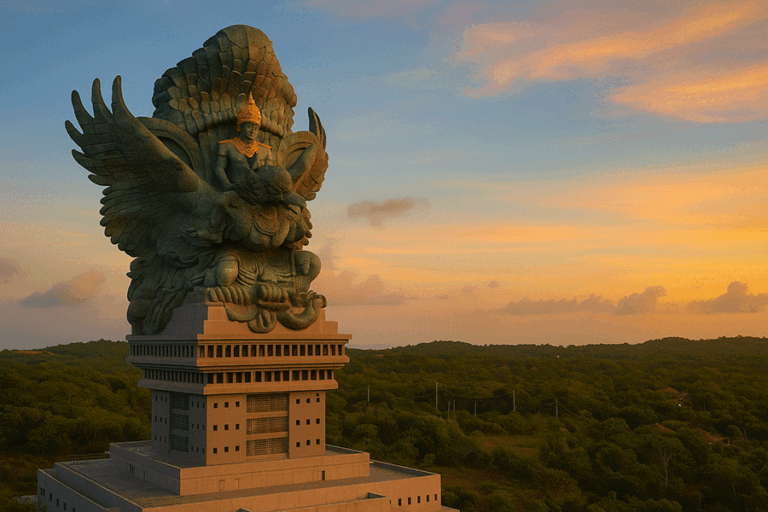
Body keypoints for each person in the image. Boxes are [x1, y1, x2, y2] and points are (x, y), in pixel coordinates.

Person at [214, 93, 271, 191]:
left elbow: (270, 173)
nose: (253, 131)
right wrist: (227, 184)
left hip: (258, 192)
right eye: (249, 126)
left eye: (256, 128)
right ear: (241, 126)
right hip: (234, 189)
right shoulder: (226, 146)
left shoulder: (265, 150)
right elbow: (219, 168)